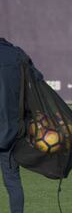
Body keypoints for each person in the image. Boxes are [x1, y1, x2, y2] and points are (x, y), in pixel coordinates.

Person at [0, 38, 28, 213]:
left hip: (9, 129)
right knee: (13, 181)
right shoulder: (16, 54)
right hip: (10, 131)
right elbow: (35, 83)